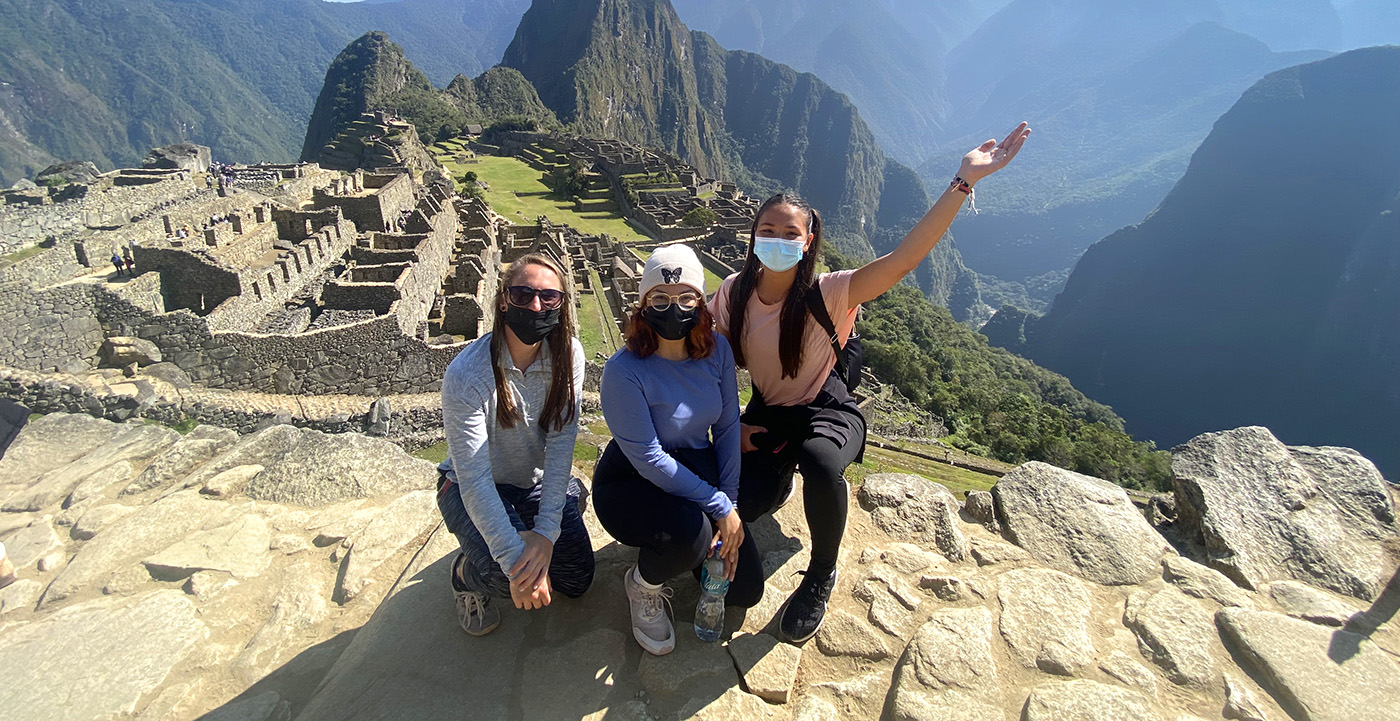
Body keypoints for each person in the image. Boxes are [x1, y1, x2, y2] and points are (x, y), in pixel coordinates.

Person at [711, 122, 1031, 643]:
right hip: (768, 412)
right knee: (733, 505)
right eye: (766, 231)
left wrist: (964, 180)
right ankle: (782, 482)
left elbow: (903, 260)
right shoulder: (734, 293)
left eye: (789, 233)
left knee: (819, 460)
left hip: (827, 411)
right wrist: (731, 431)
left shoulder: (831, 293)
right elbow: (710, 361)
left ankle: (820, 573)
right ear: (752, 235)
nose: (775, 241)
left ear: (808, 240)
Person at [593, 244, 762, 656]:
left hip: (691, 463)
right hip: (632, 479)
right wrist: (717, 506)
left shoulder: (717, 351)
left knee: (745, 589)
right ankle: (644, 584)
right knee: (690, 535)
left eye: (687, 297)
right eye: (661, 298)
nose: (675, 308)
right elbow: (649, 457)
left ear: (701, 303)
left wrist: (732, 507)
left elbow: (725, 428)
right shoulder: (624, 370)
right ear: (643, 304)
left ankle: (691, 544)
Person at [436, 252, 594, 636]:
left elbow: (561, 446)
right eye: (523, 295)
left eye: (548, 297)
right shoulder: (468, 374)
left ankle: (540, 513)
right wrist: (516, 556)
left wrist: (545, 534)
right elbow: (474, 479)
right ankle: (464, 574)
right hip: (468, 487)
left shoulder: (568, 356)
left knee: (576, 578)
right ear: (503, 300)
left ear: (562, 304)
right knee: (507, 577)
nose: (536, 305)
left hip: (532, 482)